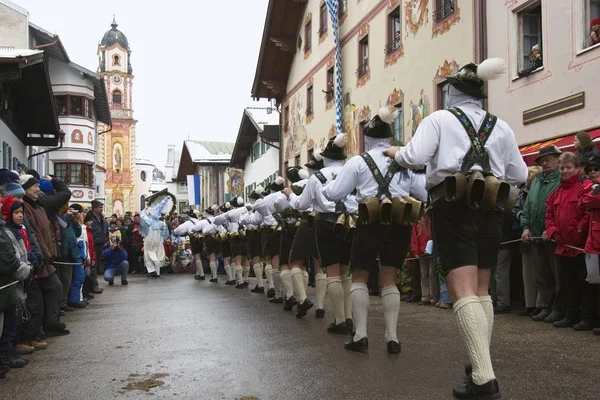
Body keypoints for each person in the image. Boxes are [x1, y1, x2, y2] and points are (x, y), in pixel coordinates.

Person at [384, 58, 527, 398]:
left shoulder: (439, 119)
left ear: (453, 92)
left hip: (452, 204)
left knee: (462, 290)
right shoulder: (501, 126)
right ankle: (479, 366)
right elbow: (520, 175)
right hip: (491, 206)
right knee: (481, 290)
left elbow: (415, 157)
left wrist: (394, 152)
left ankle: (483, 377)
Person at [325, 108, 428, 353]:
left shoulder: (358, 162)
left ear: (368, 138)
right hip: (399, 222)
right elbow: (424, 193)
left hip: (369, 222)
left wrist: (328, 186)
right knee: (390, 279)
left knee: (360, 276)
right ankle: (392, 337)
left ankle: (361, 335)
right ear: (390, 137)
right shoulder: (402, 160)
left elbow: (335, 193)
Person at [544, 152, 590, 329]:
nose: (564, 171)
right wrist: (553, 231)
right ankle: (570, 315)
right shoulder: (557, 193)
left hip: (581, 246)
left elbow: (588, 211)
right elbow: (549, 215)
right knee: (566, 283)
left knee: (584, 283)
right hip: (562, 246)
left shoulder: (585, 187)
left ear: (577, 168)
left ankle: (586, 317)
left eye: (568, 167)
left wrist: (579, 229)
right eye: (562, 168)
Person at [21, 175, 69, 337]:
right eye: (34, 186)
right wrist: (45, 253)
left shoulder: (39, 206)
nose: (37, 189)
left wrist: (52, 251)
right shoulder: (26, 206)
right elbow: (34, 232)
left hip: (46, 256)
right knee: (41, 295)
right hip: (39, 257)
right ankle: (39, 329)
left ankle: (50, 323)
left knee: (54, 288)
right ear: (25, 189)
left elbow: (48, 230)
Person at [521, 145, 562, 323]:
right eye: (542, 160)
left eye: (548, 159)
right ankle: (546, 306)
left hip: (554, 236)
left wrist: (552, 229)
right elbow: (528, 206)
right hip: (537, 235)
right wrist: (526, 227)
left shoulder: (561, 179)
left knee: (558, 274)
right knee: (541, 274)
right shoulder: (536, 180)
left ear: (557, 159)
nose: (545, 163)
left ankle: (558, 308)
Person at [0, 196, 33, 368]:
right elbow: (10, 258)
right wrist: (25, 270)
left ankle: (9, 351)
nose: (20, 215)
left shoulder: (14, 230)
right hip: (10, 280)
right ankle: (7, 353)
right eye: (16, 212)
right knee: (8, 322)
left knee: (13, 319)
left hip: (16, 279)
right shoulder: (6, 232)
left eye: (22, 212)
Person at [515, 166, 543, 317]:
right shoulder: (523, 193)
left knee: (540, 273)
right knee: (527, 274)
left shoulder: (540, 191)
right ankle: (529, 303)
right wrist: (522, 219)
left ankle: (540, 304)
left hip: (539, 236)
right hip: (525, 237)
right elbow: (517, 209)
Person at [578, 154, 600, 334]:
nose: (592, 173)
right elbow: (583, 200)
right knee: (593, 283)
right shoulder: (591, 187)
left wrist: (594, 191)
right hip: (593, 241)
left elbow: (591, 200)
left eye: (596, 170)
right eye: (590, 171)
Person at [140, 190, 172, 278]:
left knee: (148, 252)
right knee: (156, 251)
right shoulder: (159, 216)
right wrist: (166, 199)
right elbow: (161, 205)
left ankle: (152, 270)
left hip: (151, 232)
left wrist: (144, 215)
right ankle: (156, 271)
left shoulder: (149, 211)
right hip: (157, 233)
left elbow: (142, 217)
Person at [89, 200, 108, 293]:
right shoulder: (89, 218)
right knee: (93, 265)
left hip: (101, 244)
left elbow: (105, 231)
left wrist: (105, 240)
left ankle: (94, 285)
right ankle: (93, 286)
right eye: (100, 207)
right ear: (95, 208)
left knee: (97, 265)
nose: (101, 209)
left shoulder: (101, 219)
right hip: (93, 244)